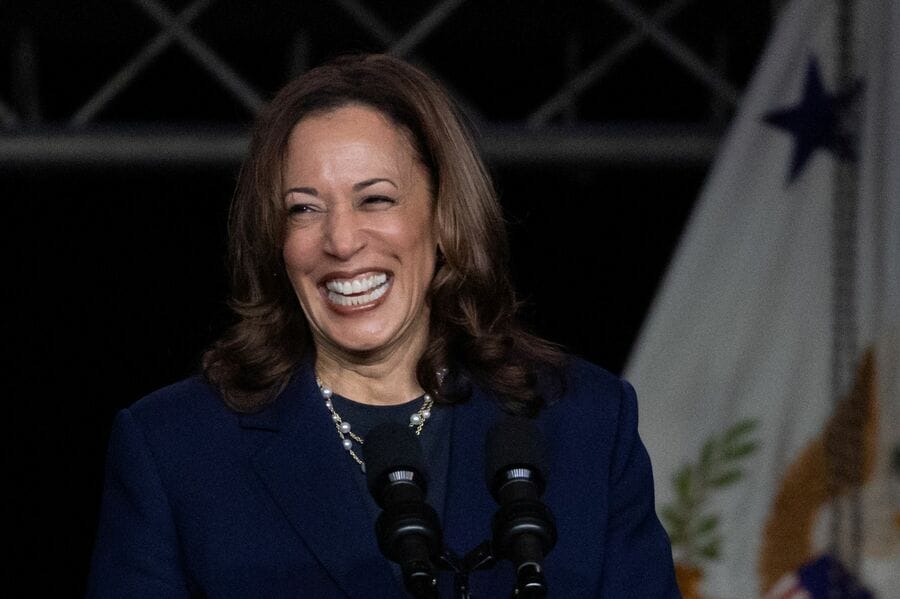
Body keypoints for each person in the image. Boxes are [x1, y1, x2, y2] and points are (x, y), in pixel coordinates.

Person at [87, 53, 679, 598]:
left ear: (444, 213)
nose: (341, 241)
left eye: (375, 199)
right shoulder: (174, 449)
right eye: (303, 208)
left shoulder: (585, 422)